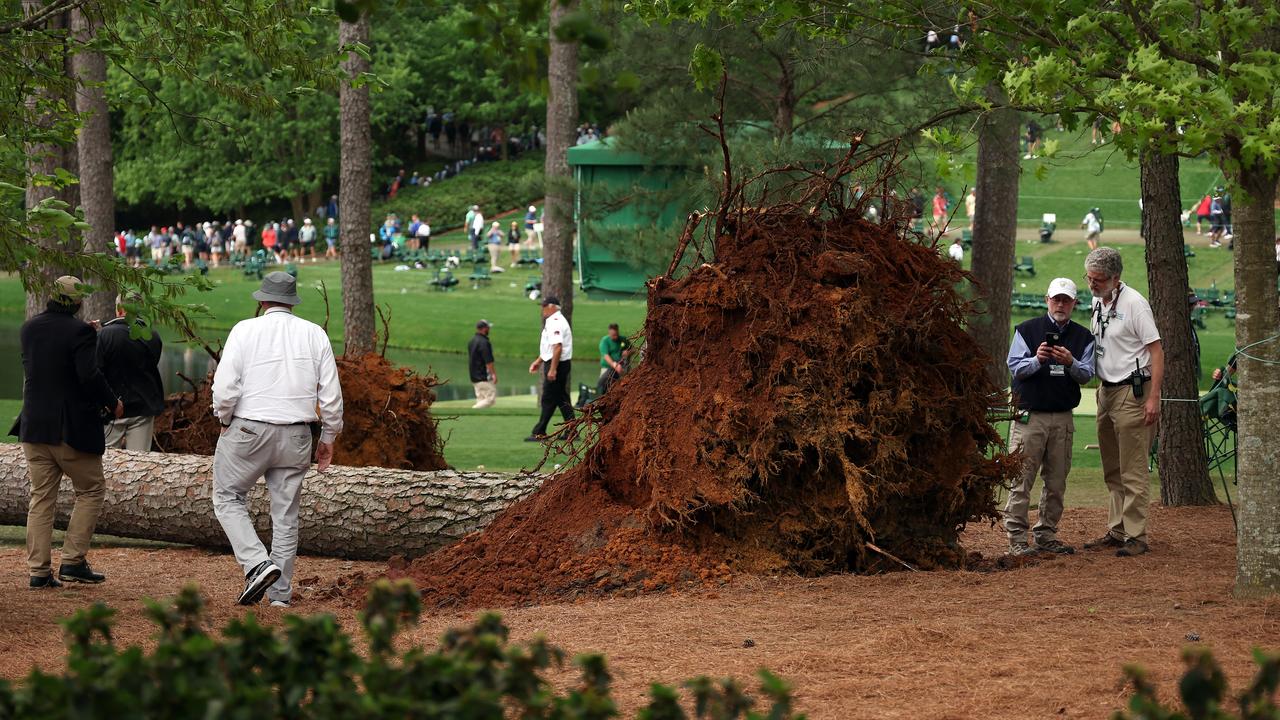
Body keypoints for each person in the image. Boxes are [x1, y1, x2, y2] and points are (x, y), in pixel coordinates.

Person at [211, 272, 343, 606]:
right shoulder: (315, 334)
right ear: (292, 301)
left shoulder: (245, 329)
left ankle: (256, 563)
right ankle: (279, 595)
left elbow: (225, 388)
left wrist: (224, 418)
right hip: (297, 433)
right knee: (285, 516)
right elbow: (330, 396)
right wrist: (328, 436)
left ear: (262, 300)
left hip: (249, 430)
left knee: (227, 497)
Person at [11, 276, 123, 588]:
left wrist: (87, 333)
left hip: (34, 426)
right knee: (90, 490)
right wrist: (113, 402)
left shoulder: (29, 328)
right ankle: (73, 560)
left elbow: (52, 358)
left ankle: (38, 571)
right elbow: (88, 376)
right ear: (77, 301)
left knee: (41, 498)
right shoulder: (80, 332)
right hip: (69, 430)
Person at [1003, 278, 1095, 556]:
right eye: (1056, 299)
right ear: (1047, 300)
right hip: (1029, 417)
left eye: (1066, 300)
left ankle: (1046, 534)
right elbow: (1015, 367)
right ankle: (1017, 539)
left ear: (1074, 304)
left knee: (1056, 482)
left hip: (1063, 417)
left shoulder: (1083, 337)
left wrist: (1071, 362)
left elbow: (1088, 375)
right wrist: (1037, 359)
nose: (1060, 305)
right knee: (1021, 480)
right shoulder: (1027, 330)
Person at [1082, 247, 1163, 557]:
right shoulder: (1097, 301)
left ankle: (1136, 535)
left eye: (1098, 279)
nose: (1092, 284)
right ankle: (1117, 530)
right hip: (1106, 391)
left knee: (1133, 469)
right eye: (1089, 278)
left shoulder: (1135, 305)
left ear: (1116, 278)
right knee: (1112, 467)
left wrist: (1153, 397)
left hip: (1133, 391)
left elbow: (1156, 351)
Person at [97, 293, 164, 451]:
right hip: (143, 406)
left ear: (120, 309)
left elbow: (96, 372)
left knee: (107, 460)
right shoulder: (152, 335)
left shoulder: (104, 335)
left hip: (112, 409)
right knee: (139, 462)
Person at [526, 296, 574, 441]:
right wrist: (539, 360)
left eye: (545, 306)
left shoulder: (555, 322)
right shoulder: (556, 320)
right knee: (561, 398)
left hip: (557, 364)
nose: (542, 309)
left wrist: (553, 369)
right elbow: (550, 348)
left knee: (548, 398)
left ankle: (540, 431)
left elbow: (558, 347)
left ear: (553, 307)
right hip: (558, 362)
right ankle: (572, 431)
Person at [468, 320, 497, 409]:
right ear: (484, 328)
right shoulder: (484, 342)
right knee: (490, 399)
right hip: (483, 376)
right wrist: (493, 374)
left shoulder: (472, 341)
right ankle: (472, 411)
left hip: (474, 376)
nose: (489, 330)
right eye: (488, 328)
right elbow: (488, 361)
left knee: (481, 399)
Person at [597, 323, 632, 395]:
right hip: (608, 367)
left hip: (622, 367)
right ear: (609, 333)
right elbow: (606, 356)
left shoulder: (623, 339)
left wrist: (628, 352)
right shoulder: (605, 341)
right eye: (613, 335)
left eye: (617, 334)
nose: (616, 337)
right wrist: (614, 365)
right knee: (603, 386)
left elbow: (633, 349)